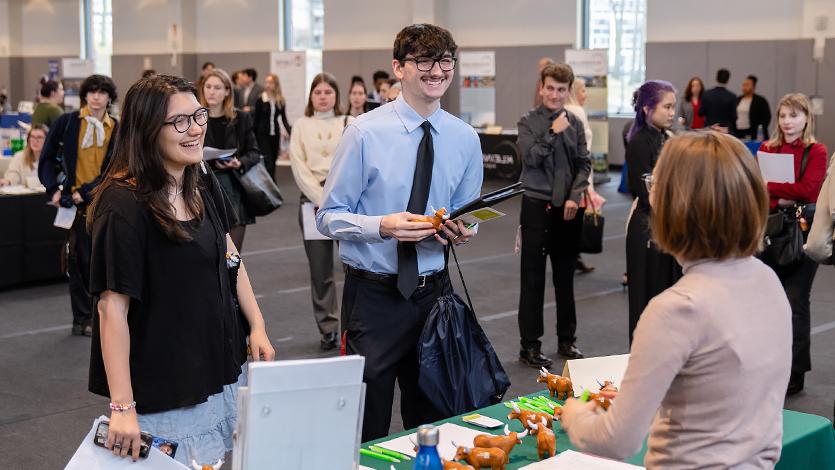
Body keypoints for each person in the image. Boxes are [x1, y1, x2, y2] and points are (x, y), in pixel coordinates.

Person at [560, 131, 791, 470]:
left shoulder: (678, 308)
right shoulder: (766, 280)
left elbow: (616, 440)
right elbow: (723, 390)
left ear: (678, 204)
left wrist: (575, 414)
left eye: (657, 184)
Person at [86, 74, 275, 465]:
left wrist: (256, 324)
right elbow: (112, 310)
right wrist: (122, 407)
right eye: (180, 122)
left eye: (199, 116)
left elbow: (232, 258)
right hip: (166, 385)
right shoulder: (122, 205)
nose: (196, 130)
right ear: (147, 128)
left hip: (217, 368)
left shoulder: (200, 182)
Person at [316, 23, 482, 442]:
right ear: (399, 68)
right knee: (366, 425)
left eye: (445, 61)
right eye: (424, 61)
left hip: (435, 294)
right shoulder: (364, 132)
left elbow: (470, 212)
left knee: (437, 421)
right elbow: (327, 216)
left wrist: (463, 230)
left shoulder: (464, 138)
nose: (436, 71)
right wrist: (381, 226)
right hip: (374, 299)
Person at [516, 63, 591, 368]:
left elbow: (584, 163)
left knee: (565, 278)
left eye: (561, 89)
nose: (555, 94)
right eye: (550, 88)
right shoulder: (527, 122)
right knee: (532, 279)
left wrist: (575, 197)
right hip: (536, 207)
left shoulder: (574, 121)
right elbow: (530, 159)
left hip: (569, 209)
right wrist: (550, 132)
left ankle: (566, 341)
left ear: (568, 91)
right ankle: (530, 346)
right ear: (541, 87)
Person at [758, 93, 827, 395]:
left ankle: (795, 372)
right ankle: (768, 367)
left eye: (794, 116)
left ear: (806, 118)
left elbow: (810, 190)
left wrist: (775, 190)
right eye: (783, 116)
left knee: (796, 302)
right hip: (770, 231)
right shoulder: (767, 148)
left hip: (802, 232)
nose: (787, 122)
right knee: (768, 304)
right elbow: (758, 189)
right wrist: (782, 194)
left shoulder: (817, 151)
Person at [39, 74, 118, 337]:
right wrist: (52, 189)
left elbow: (114, 168)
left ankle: (102, 316)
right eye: (92, 91)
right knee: (78, 262)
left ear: (109, 97)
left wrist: (86, 191)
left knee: (106, 261)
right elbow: (47, 158)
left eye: (102, 92)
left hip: (104, 203)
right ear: (85, 95)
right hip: (73, 208)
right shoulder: (67, 122)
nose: (96, 96)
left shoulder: (116, 128)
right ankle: (82, 319)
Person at [288, 72, 351, 351]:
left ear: (337, 95)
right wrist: (322, 199)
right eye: (318, 92)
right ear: (311, 96)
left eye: (328, 91)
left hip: (347, 199)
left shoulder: (349, 123)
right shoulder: (301, 125)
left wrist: (335, 196)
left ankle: (353, 325)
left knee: (355, 266)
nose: (323, 96)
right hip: (312, 201)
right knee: (320, 270)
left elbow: (353, 162)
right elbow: (298, 166)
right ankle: (328, 329)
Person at [625, 80, 680, 343]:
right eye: (666, 107)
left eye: (673, 107)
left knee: (666, 298)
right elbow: (647, 194)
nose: (672, 112)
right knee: (645, 301)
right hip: (647, 227)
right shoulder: (638, 142)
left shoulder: (667, 138)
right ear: (647, 108)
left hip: (667, 226)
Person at [199, 68, 262, 251]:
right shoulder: (196, 118)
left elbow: (254, 152)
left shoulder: (241, 118)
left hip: (233, 189)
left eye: (217, 87)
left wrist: (239, 162)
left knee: (232, 257)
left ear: (227, 91)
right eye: (208, 86)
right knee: (207, 254)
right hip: (202, 188)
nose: (211, 91)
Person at [563, 77, 602, 274]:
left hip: (571, 170)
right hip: (580, 170)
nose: (585, 94)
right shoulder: (576, 111)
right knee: (577, 213)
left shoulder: (566, 110)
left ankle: (572, 256)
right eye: (583, 90)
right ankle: (572, 255)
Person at [252, 72, 291, 181]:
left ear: (276, 84)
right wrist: (252, 136)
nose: (267, 85)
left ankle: (271, 182)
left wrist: (290, 132)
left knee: (273, 162)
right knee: (268, 161)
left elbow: (284, 119)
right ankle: (272, 184)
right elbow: (256, 119)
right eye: (266, 82)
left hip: (275, 134)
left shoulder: (280, 100)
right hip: (262, 134)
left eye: (270, 82)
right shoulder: (260, 99)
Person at [735, 75, 771, 140]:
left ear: (753, 87)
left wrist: (760, 130)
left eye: (747, 85)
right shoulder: (738, 99)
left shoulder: (760, 100)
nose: (744, 87)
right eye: (743, 85)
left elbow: (767, 117)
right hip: (739, 132)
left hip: (754, 133)